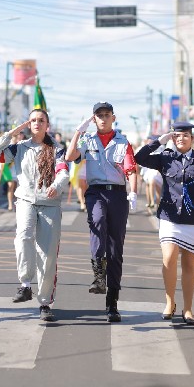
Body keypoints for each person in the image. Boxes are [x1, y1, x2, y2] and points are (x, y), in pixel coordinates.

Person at [0, 109, 69, 321]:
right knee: (22, 236)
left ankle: (45, 303)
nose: (37, 124)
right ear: (28, 124)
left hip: (49, 203)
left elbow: (63, 171)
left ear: (47, 125)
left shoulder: (57, 149)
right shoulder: (19, 148)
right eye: (33, 121)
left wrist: (57, 185)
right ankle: (25, 284)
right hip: (25, 200)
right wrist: (12, 132)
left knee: (47, 254)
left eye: (41, 120)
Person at [135, 122, 194, 325]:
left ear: (192, 138)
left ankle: (188, 308)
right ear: (173, 138)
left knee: (189, 264)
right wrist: (159, 141)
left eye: (185, 136)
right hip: (170, 217)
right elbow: (139, 158)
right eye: (177, 136)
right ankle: (169, 302)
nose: (181, 139)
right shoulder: (165, 158)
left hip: (193, 218)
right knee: (169, 258)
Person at [65, 101, 138, 322]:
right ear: (93, 119)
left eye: (107, 115)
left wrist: (133, 192)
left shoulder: (123, 142)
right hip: (96, 192)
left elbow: (131, 169)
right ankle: (98, 274)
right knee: (97, 221)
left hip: (117, 195)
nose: (103, 119)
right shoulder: (88, 139)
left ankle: (112, 302)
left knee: (116, 250)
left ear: (113, 118)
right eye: (99, 115)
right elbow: (70, 157)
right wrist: (78, 131)